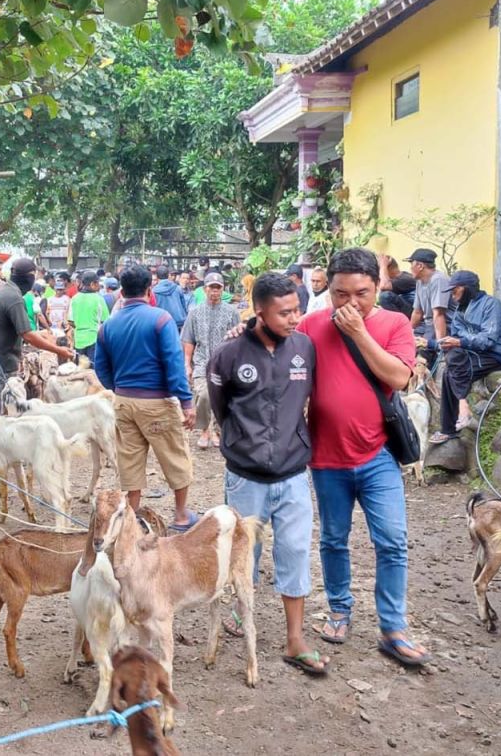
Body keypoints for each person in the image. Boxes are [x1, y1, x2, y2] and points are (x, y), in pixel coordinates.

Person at [296, 247, 431, 667]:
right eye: (340, 294)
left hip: (377, 456)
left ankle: (393, 628)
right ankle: (339, 610)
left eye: (361, 293)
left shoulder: (393, 324)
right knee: (333, 539)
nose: (350, 303)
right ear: (327, 290)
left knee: (391, 542)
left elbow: (398, 377)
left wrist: (358, 333)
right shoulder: (311, 324)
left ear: (379, 286)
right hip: (326, 457)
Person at [207, 273, 325, 677]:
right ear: (259, 311)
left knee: (294, 552)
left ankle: (295, 640)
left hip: (293, 474)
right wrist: (244, 442)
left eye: (297, 309)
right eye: (285, 312)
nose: (295, 317)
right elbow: (221, 409)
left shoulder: (305, 348)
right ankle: (242, 619)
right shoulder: (229, 355)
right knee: (244, 555)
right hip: (246, 477)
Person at [95, 264, 198, 532]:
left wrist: (120, 388)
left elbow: (101, 370)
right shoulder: (161, 319)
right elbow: (174, 364)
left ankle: (131, 519)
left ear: (121, 291)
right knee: (174, 456)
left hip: (123, 402)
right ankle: (181, 515)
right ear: (149, 289)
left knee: (130, 460)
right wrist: (186, 401)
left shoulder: (107, 326)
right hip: (156, 403)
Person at [428, 271, 501, 444]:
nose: (452, 295)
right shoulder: (460, 310)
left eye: (455, 290)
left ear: (466, 288)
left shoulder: (491, 304)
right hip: (472, 354)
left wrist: (458, 342)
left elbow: (487, 341)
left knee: (453, 365)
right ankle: (457, 414)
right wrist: (431, 344)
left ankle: (458, 414)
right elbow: (458, 340)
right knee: (450, 365)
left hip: (495, 354)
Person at [0, 257, 75, 380]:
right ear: (28, 277)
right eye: (33, 276)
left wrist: (42, 333)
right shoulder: (14, 298)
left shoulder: (5, 290)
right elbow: (27, 335)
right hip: (5, 363)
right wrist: (58, 350)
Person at [181, 272, 238, 450]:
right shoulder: (195, 313)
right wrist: (187, 363)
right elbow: (189, 339)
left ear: (222, 289)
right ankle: (205, 429)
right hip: (202, 362)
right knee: (204, 395)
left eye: (218, 288)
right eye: (211, 288)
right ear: (205, 289)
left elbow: (238, 338)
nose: (214, 292)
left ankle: (216, 430)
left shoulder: (232, 312)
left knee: (221, 397)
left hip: (224, 363)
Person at [407, 248, 451, 361]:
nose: (410, 268)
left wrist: (441, 344)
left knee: (423, 349)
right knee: (405, 342)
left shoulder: (438, 280)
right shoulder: (420, 282)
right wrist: (407, 331)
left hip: (444, 324)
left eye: (411, 264)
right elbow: (417, 312)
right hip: (427, 324)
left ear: (420, 266)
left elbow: (439, 315)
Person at [69, 269, 108, 362]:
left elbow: (70, 321)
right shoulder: (99, 299)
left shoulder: (74, 298)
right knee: (93, 370)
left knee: (80, 369)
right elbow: (105, 321)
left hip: (78, 340)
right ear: (92, 284)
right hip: (94, 339)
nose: (99, 285)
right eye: (98, 283)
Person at [152, 266, 189, 332]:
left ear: (157, 277)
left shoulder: (153, 291)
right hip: (179, 322)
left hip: (163, 323)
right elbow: (184, 307)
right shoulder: (178, 288)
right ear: (168, 275)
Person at [46, 273, 73, 346]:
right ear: (55, 289)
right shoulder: (49, 300)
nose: (59, 291)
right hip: (53, 325)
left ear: (64, 289)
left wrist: (65, 323)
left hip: (63, 325)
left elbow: (68, 312)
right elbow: (47, 312)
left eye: (61, 289)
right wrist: (50, 322)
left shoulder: (67, 299)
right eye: (58, 289)